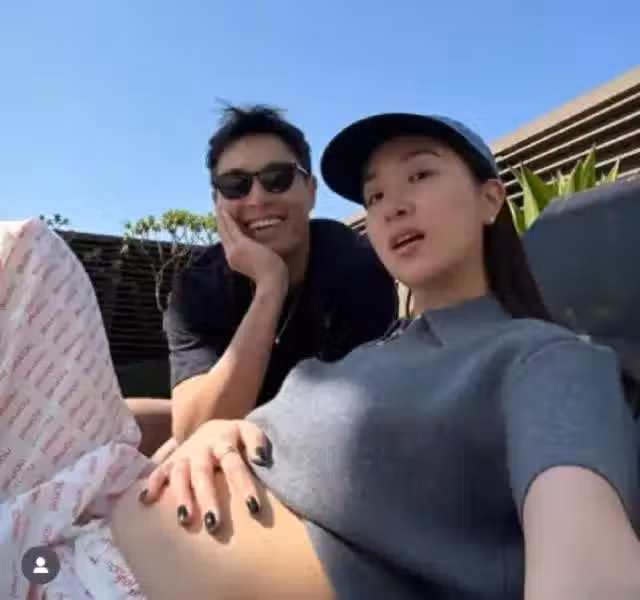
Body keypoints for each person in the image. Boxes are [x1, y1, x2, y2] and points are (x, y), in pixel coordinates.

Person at [1, 110, 639, 599]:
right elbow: (215, 425)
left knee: (27, 250)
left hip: (95, 580)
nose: (392, 205)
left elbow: (588, 557)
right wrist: (224, 431)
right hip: (61, 533)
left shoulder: (542, 356)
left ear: (491, 199)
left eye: (419, 174)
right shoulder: (379, 350)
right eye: (374, 195)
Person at [162, 105, 398, 443]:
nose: (257, 199)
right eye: (235, 185)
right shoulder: (197, 286)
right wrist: (270, 286)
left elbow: (353, 420)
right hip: (232, 431)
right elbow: (195, 434)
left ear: (311, 191)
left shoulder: (356, 265)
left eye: (278, 179)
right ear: (217, 202)